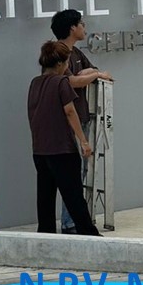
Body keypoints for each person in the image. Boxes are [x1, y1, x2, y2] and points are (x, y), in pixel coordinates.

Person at [27, 40, 101, 235]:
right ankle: (89, 233)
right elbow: (70, 111)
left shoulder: (35, 83)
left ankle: (46, 234)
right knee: (73, 195)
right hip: (62, 148)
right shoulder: (61, 82)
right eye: (67, 62)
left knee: (45, 196)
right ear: (60, 63)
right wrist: (83, 141)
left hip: (40, 149)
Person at [50, 9, 112, 234]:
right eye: (81, 24)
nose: (84, 27)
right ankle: (70, 223)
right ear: (72, 28)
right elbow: (71, 82)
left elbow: (88, 69)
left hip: (82, 117)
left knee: (81, 172)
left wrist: (89, 73)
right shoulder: (57, 52)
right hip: (69, 121)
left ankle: (75, 220)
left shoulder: (76, 52)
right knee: (72, 175)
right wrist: (94, 75)